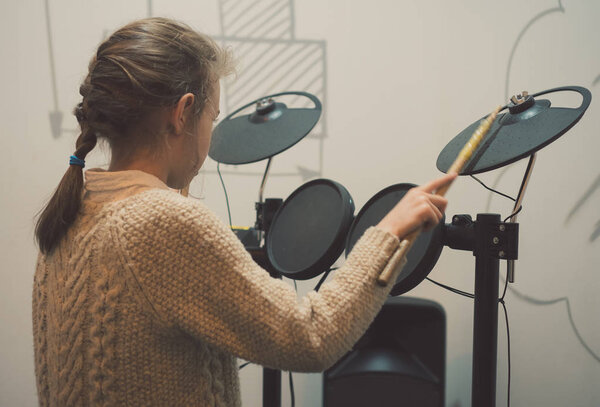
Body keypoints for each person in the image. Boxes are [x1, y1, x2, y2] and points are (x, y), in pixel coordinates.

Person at [32, 17, 455, 407]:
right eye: (211, 117)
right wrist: (390, 232)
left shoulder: (73, 211)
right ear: (182, 113)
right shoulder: (159, 221)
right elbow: (310, 337)